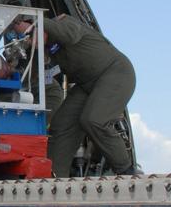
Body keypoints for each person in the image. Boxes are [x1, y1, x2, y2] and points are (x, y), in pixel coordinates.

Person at [12, 13, 136, 177]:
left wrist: (36, 25)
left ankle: (126, 171)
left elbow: (68, 35)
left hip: (114, 74)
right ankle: (53, 178)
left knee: (94, 120)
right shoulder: (47, 48)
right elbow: (30, 73)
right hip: (86, 84)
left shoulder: (65, 23)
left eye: (28, 33)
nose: (28, 38)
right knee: (61, 126)